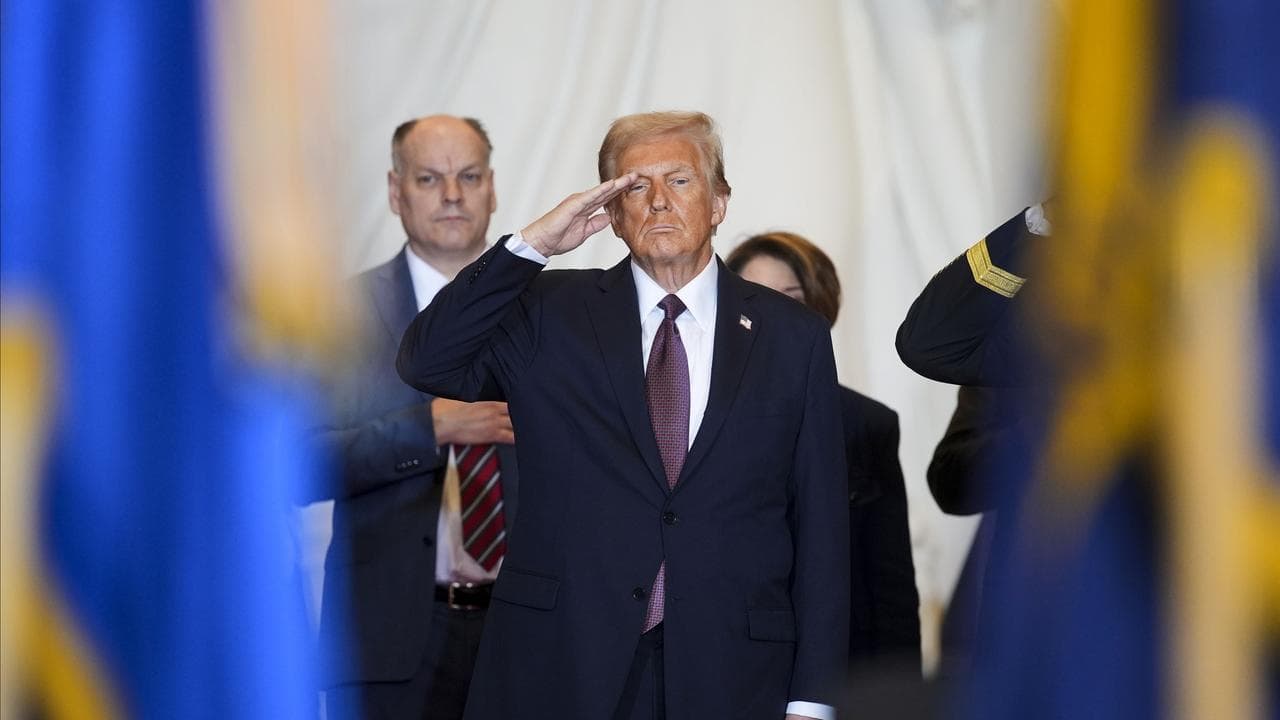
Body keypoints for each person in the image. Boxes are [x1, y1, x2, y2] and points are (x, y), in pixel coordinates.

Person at [397, 111, 849, 719]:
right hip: (563, 667)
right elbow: (428, 359)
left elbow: (821, 528)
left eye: (681, 181)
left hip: (733, 674)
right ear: (610, 213)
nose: (659, 201)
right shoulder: (547, 313)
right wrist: (531, 246)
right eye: (636, 186)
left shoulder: (792, 336)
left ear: (719, 202)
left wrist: (813, 700)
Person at [304, 115, 520, 720]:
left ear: (493, 187)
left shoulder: (552, 311)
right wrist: (429, 429)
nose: (453, 195)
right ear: (396, 192)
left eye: (469, 176)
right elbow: (297, 464)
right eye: (430, 178)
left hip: (528, 629)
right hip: (385, 636)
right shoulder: (339, 315)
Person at [725, 232, 920, 671]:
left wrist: (893, 695)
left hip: (837, 663)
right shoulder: (690, 411)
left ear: (821, 308)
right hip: (724, 663)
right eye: (754, 297)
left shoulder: (867, 423)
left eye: (790, 298)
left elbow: (890, 585)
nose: (771, 313)